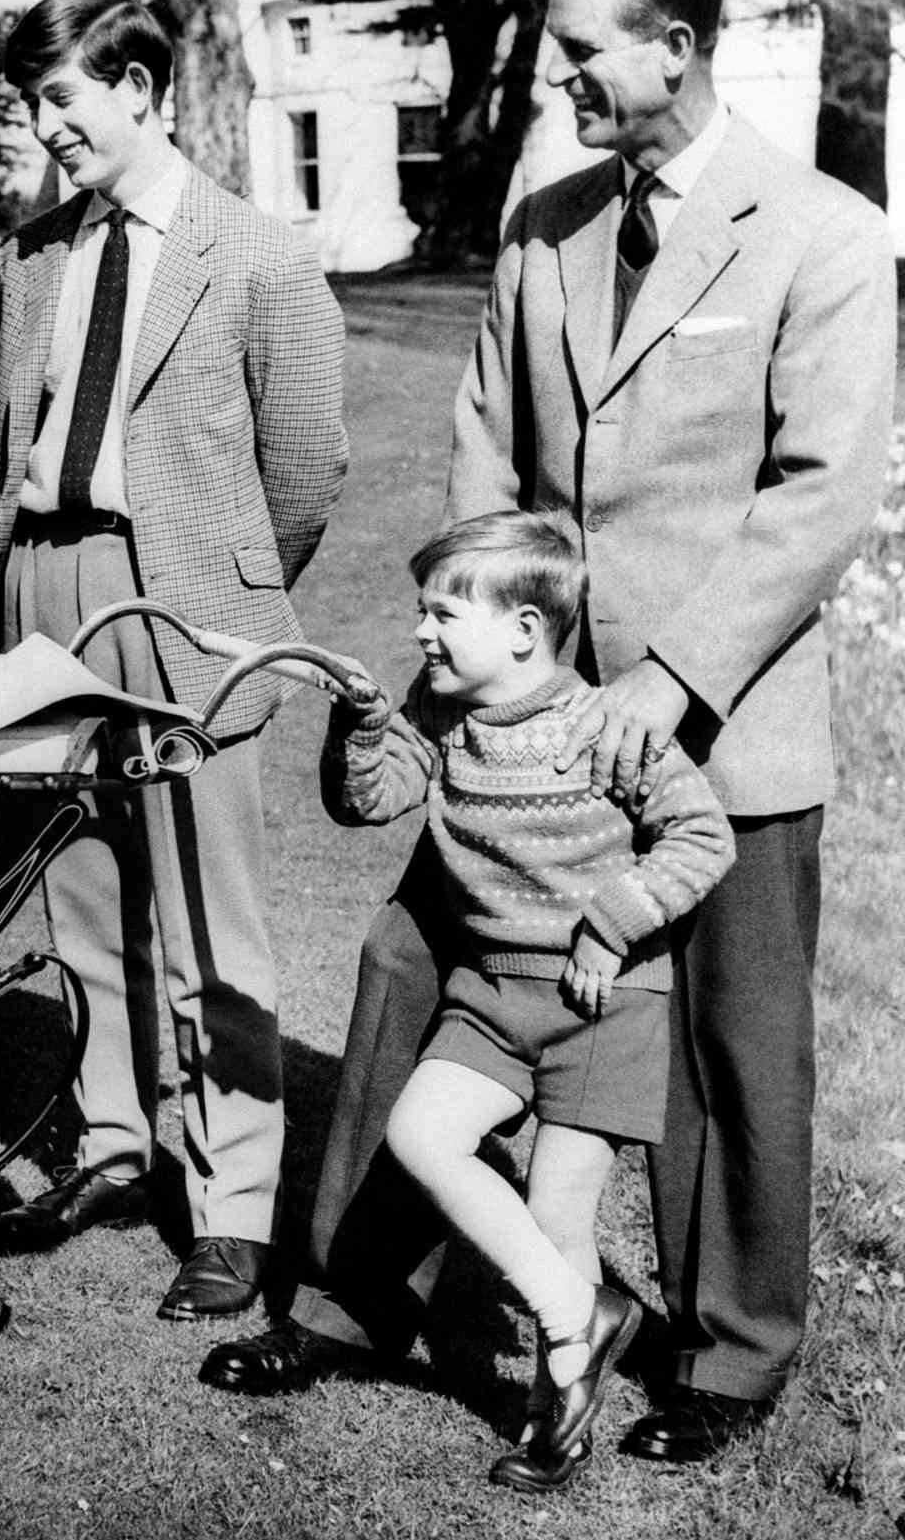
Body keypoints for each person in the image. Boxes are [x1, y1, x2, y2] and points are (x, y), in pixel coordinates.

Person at [201, 0, 894, 1466]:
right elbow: (487, 447)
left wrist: (668, 682)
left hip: (722, 731)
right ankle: (353, 1294)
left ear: (679, 47)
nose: (562, 78)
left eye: (585, 51)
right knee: (410, 965)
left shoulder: (823, 234)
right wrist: (493, 652)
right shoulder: (542, 223)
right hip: (522, 722)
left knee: (723, 1040)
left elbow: (821, 493)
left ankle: (727, 1353)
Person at [0, 0, 347, 1319]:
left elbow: (306, 468)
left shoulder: (258, 255)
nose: (43, 127)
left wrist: (228, 605)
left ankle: (234, 1203)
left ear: (140, 88)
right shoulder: (32, 255)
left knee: (210, 915)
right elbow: (15, 447)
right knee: (81, 889)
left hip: (187, 603)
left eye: (60, 98)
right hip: (51, 584)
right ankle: (115, 1140)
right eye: (30, 104)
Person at [325, 512, 733, 1491]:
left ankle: (556, 1426)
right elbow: (369, 801)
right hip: (490, 996)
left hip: (601, 1004)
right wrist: (361, 726)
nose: (420, 632)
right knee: (422, 1134)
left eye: (439, 613)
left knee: (558, 1210)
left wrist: (611, 917)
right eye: (418, 612)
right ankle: (572, 1308)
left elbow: (700, 838)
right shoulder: (437, 714)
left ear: (521, 629)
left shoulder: (604, 726)